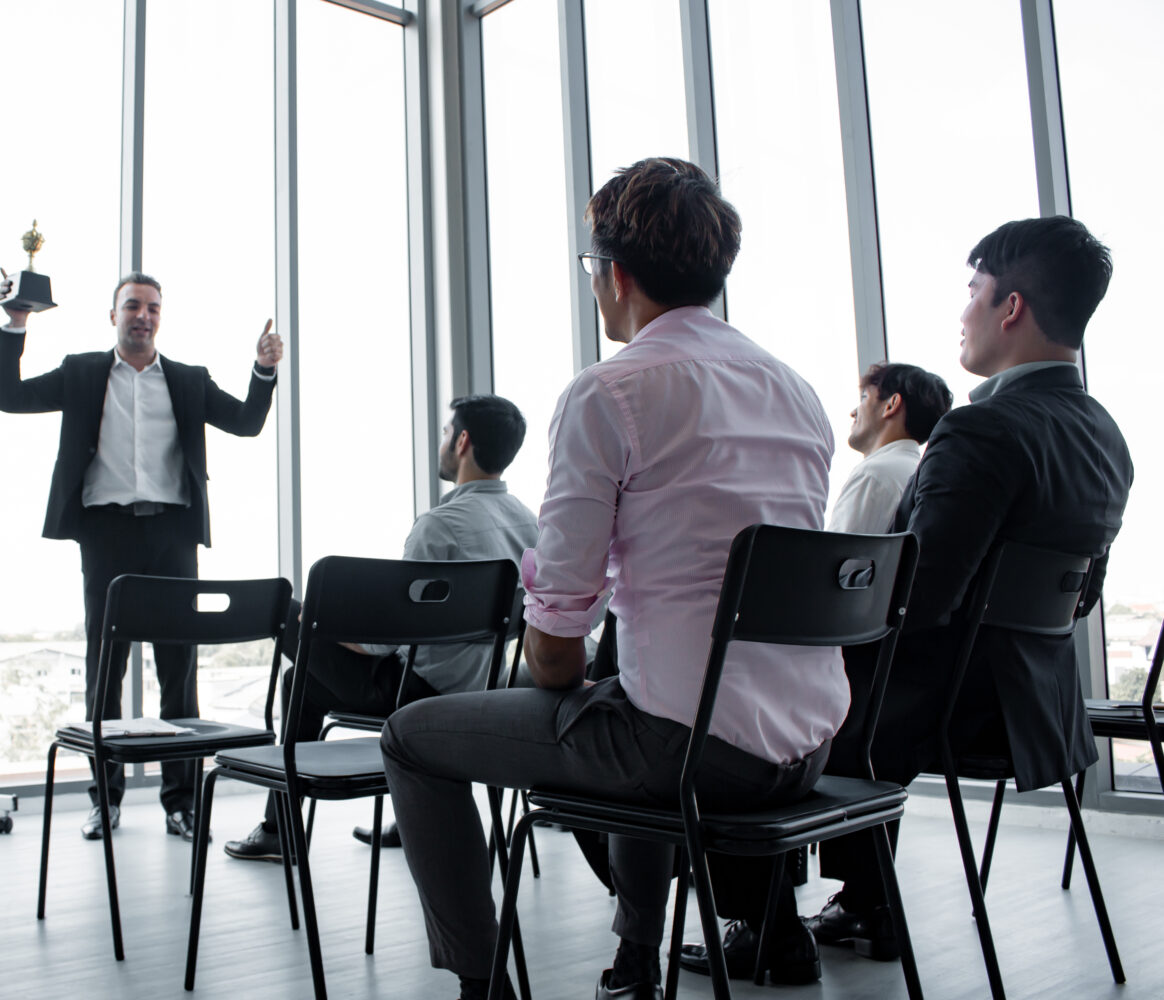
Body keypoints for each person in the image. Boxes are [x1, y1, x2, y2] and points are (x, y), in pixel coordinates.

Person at [381, 157, 844, 1000]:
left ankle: (480, 984)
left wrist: (559, 665)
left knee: (414, 736)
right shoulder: (797, 391)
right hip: (810, 744)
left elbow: (556, 641)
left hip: (693, 754)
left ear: (616, 275)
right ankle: (640, 960)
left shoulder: (611, 393)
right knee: (635, 695)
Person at [801, 216, 1132, 964]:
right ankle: (862, 902)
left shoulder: (983, 428)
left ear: (1009, 307)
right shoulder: (1105, 433)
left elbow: (916, 599)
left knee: (785, 692)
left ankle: (765, 921)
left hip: (951, 705)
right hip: (1037, 705)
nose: (964, 312)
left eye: (974, 291)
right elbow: (1079, 598)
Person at [0, 272, 281, 843]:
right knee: (106, 672)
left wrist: (263, 370)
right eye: (132, 306)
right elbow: (9, 397)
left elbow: (247, 424)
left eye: (152, 307)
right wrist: (17, 324)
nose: (142, 316)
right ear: (113, 315)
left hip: (172, 536)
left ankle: (181, 803)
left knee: (179, 673)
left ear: (159, 318)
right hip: (107, 537)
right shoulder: (81, 373)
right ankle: (107, 802)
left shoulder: (188, 381)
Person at [224, 394, 539, 863]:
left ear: (464, 442)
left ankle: (281, 831)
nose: (444, 441)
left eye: (448, 432)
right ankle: (407, 813)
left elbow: (381, 642)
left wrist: (327, 625)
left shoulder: (439, 527)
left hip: (417, 693)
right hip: (487, 691)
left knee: (286, 610)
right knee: (299, 683)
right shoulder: (529, 524)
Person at [827, 362, 951, 534]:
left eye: (864, 397)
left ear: (891, 405)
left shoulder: (873, 474)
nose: (853, 412)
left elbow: (836, 557)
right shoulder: (920, 473)